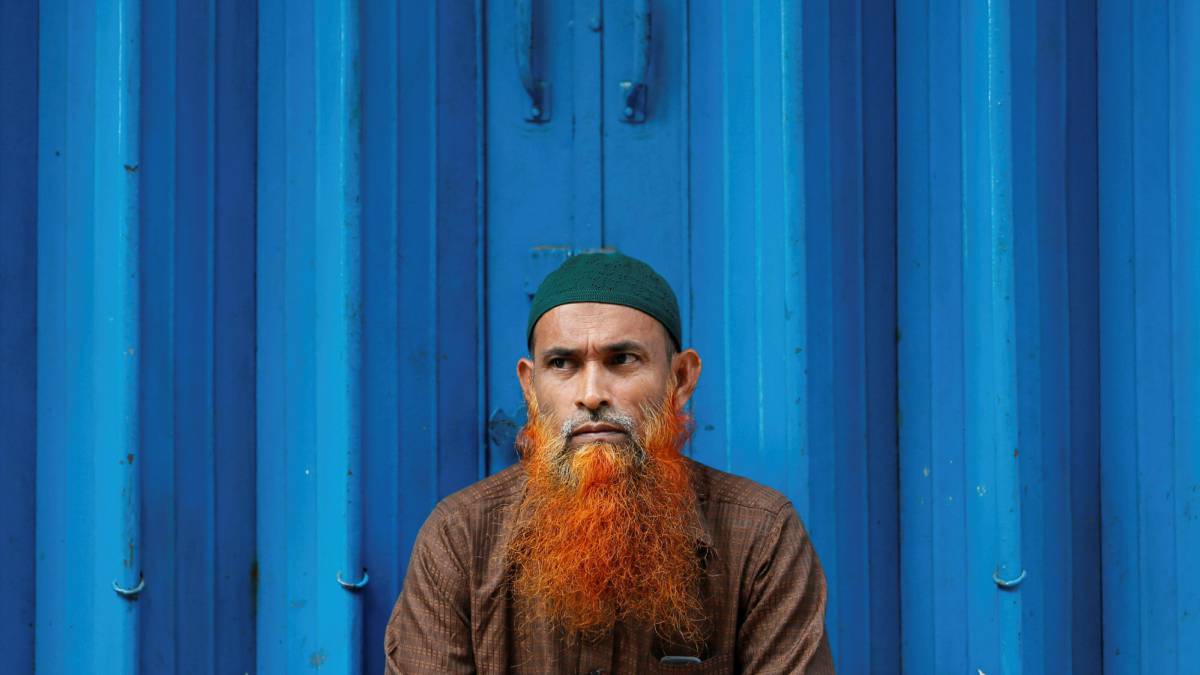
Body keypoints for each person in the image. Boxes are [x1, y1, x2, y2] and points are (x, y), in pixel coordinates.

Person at [385, 251, 834, 674]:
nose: (592, 393)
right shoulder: (460, 539)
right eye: (563, 363)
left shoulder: (760, 535)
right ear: (530, 386)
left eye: (623, 360)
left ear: (680, 378)